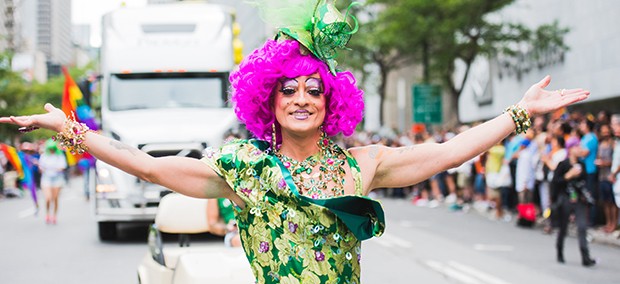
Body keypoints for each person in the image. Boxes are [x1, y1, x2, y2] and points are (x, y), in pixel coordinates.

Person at [0, 1, 589, 282]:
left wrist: (518, 114)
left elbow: (443, 153)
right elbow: (147, 167)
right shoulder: (243, 168)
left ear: (332, 102)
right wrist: (73, 130)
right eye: (289, 90)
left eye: (314, 89)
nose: (302, 98)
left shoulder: (362, 165)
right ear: (269, 100)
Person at [551, 137, 596, 266]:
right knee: (563, 228)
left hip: (579, 199)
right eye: (578, 147)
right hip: (565, 198)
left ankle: (585, 257)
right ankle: (559, 252)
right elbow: (555, 182)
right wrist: (568, 175)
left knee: (582, 227)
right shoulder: (563, 164)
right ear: (571, 149)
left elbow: (585, 181)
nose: (580, 149)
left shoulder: (581, 164)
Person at [38, 139, 68, 224]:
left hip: (57, 179)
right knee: (48, 198)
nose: (51, 150)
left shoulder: (60, 156)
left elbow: (63, 167)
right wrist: (42, 169)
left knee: (55, 198)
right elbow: (40, 167)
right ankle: (47, 214)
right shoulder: (44, 155)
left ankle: (54, 216)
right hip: (46, 178)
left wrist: (56, 169)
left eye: (53, 149)